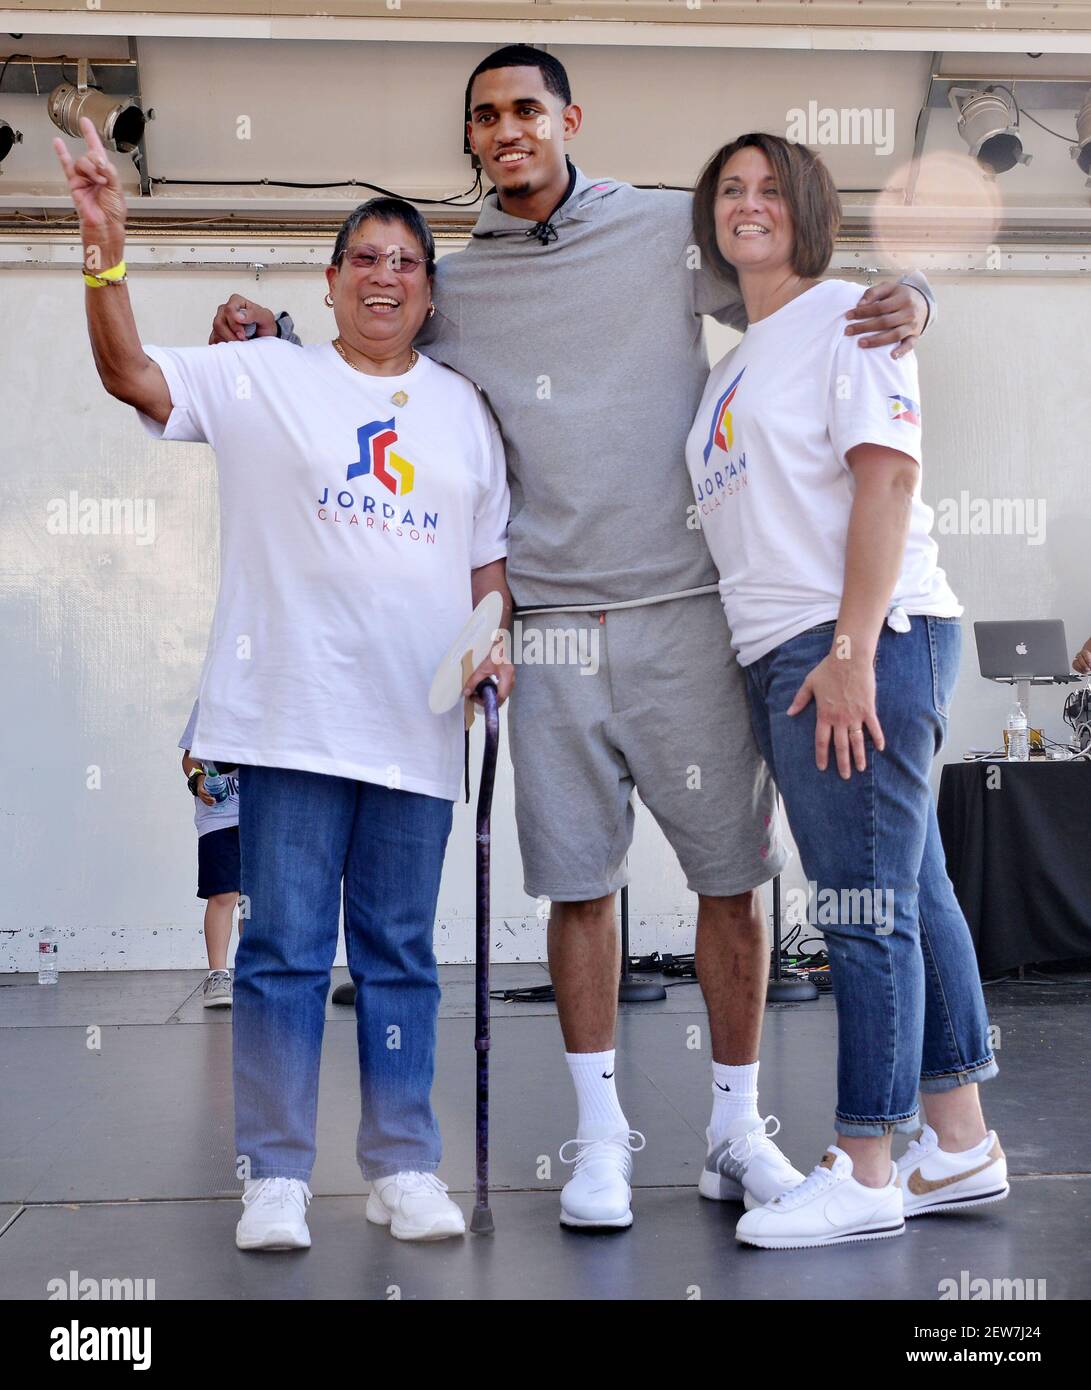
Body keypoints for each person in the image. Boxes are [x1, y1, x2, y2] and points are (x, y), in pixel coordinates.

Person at [205, 44, 936, 1230]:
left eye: (526, 109)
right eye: (485, 115)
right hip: (543, 629)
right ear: (473, 138)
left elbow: (789, 282)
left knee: (731, 878)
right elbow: (369, 358)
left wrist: (915, 292)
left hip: (686, 614)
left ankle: (732, 1131)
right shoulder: (456, 280)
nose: (507, 130)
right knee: (579, 887)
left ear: (566, 119)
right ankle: (600, 1141)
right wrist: (271, 327)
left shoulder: (661, 231)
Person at [55, 118, 514, 1249]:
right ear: (331, 277)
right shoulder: (264, 372)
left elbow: (486, 565)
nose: (385, 276)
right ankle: (276, 1174)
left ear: (427, 291)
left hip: (414, 731)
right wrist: (105, 247)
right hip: (290, 724)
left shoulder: (462, 410)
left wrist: (489, 650)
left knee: (401, 957)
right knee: (281, 953)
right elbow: (129, 372)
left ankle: (403, 1165)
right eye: (365, 257)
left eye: (406, 262)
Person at [685, 132, 1004, 1251]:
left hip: (855, 638)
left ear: (811, 208)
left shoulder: (848, 316)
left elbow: (888, 474)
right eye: (729, 190)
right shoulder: (731, 359)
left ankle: (863, 1162)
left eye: (770, 188)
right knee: (908, 887)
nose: (747, 204)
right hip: (789, 647)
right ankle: (956, 1139)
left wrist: (853, 650)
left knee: (860, 906)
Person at [180, 696, 241, 1007]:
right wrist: (198, 779)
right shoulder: (211, 700)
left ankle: (253, 972)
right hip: (218, 817)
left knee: (255, 898)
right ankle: (218, 974)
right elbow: (189, 759)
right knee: (223, 894)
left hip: (265, 815)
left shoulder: (277, 693)